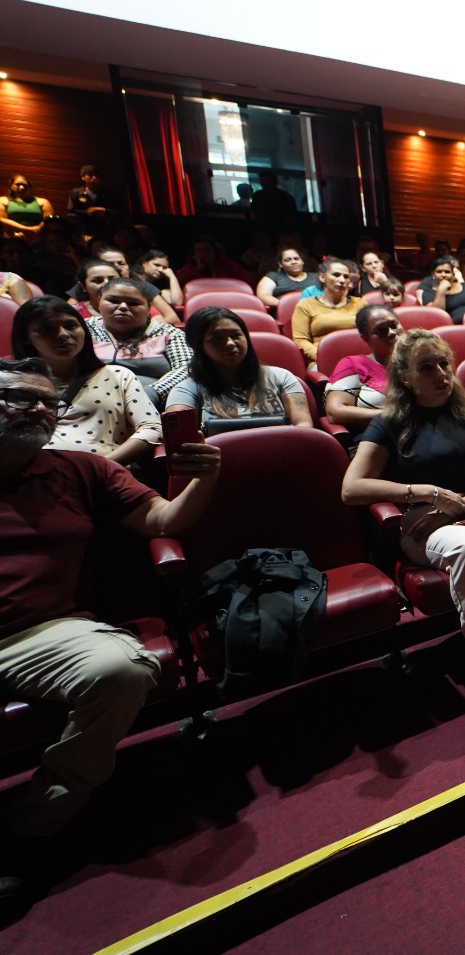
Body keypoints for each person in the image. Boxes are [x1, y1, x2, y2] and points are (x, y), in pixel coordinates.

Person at [0, 357, 220, 907]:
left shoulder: (81, 468)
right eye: (19, 397)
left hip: (36, 632)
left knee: (120, 670)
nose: (39, 410)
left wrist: (205, 477)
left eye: (48, 401)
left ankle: (30, 826)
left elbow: (164, 522)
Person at [342, 330, 465, 716]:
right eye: (426, 367)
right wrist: (427, 492)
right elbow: (351, 488)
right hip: (425, 524)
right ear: (404, 377)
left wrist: (459, 504)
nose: (441, 373)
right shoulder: (389, 423)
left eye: (444, 364)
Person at [11, 297, 159, 465]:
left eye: (70, 326)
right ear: (26, 337)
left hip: (103, 478)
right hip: (30, 480)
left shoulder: (118, 375)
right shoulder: (11, 384)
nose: (63, 335)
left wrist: (102, 469)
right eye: (46, 328)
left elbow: (151, 428)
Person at [167, 307, 312, 433]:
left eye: (236, 335)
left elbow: (303, 425)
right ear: (199, 347)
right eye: (217, 338)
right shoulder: (186, 390)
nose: (230, 343)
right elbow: (180, 440)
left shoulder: (282, 377)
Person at [85, 278, 193, 406]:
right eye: (113, 301)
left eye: (133, 303)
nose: (123, 307)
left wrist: (151, 392)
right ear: (99, 302)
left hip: (153, 404)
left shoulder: (168, 333)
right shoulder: (84, 329)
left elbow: (186, 369)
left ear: (149, 307)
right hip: (89, 400)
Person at [326, 305, 400, 431]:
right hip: (376, 438)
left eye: (394, 325)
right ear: (366, 338)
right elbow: (335, 412)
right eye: (381, 330)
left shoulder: (421, 362)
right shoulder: (353, 364)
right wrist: (394, 415)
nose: (392, 333)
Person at [291, 258, 363, 366]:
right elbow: (301, 341)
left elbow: (370, 335)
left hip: (359, 360)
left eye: (346, 277)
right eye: (336, 275)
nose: (342, 280)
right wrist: (325, 357)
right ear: (322, 277)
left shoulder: (360, 304)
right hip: (323, 362)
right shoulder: (305, 305)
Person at [419, 256, 465, 324]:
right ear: (433, 274)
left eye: (447, 272)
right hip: (452, 327)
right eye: (439, 272)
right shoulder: (428, 292)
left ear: (453, 274)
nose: (443, 275)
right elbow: (437, 316)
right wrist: (442, 289)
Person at [254, 243, 315, 307]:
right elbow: (263, 295)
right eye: (287, 260)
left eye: (296, 259)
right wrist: (286, 305)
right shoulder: (273, 276)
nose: (293, 262)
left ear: (302, 261)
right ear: (280, 264)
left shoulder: (316, 277)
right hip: (284, 313)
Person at [65, 164, 117, 235]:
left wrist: (105, 210)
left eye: (97, 175)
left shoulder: (109, 194)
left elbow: (119, 212)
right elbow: (71, 211)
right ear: (83, 178)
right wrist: (87, 212)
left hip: (106, 231)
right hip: (83, 231)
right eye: (90, 175)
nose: (94, 178)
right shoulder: (76, 193)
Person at [1, 174, 52, 242]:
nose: (22, 187)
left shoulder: (43, 202)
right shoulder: (3, 201)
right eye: (18, 184)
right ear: (11, 186)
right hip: (12, 237)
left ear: (29, 187)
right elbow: (2, 220)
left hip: (37, 237)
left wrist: (36, 231)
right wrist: (28, 229)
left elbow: (48, 221)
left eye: (25, 185)